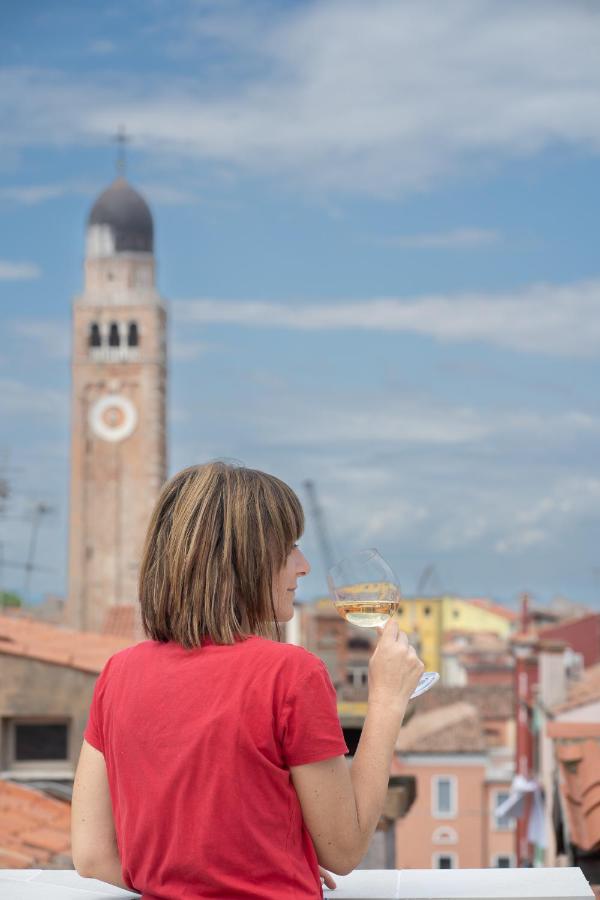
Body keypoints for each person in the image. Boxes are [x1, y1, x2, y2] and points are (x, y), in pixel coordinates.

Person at [71, 461, 424, 899]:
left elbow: (90, 855)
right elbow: (344, 850)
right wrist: (388, 701)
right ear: (247, 561)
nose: (304, 566)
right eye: (289, 547)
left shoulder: (118, 673)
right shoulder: (291, 674)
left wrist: (234, 871)